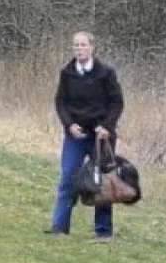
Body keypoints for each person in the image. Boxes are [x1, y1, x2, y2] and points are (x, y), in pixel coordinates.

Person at [49, 31, 125, 241]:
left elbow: (117, 102)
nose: (79, 49)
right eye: (76, 46)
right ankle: (59, 227)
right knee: (68, 177)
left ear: (92, 47)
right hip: (76, 135)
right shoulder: (67, 73)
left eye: (83, 45)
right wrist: (69, 124)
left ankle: (103, 232)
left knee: (100, 181)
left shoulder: (106, 73)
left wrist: (106, 127)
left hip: (101, 137)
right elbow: (60, 102)